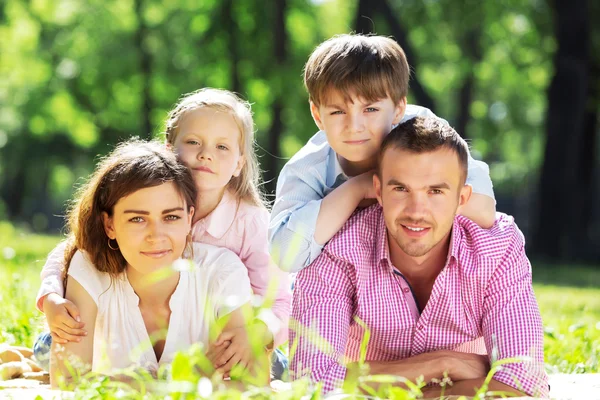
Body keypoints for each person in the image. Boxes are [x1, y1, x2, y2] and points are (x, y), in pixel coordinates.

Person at [36, 88, 290, 379]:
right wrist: (51, 295)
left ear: (239, 163)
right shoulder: (148, 195)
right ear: (170, 149)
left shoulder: (250, 222)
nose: (206, 154)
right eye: (193, 142)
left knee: (274, 370)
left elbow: (279, 299)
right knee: (49, 349)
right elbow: (78, 247)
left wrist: (256, 333)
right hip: (131, 323)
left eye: (222, 147)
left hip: (227, 330)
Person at [290, 117, 548, 398]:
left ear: (462, 199)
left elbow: (525, 384)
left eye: (435, 191)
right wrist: (443, 364)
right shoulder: (338, 248)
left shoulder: (497, 248)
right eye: (401, 189)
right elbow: (311, 383)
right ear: (378, 191)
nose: (416, 211)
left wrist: (374, 387)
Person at [269, 34, 497, 274]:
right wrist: (357, 189)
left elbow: (484, 211)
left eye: (370, 109)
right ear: (317, 115)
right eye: (337, 112)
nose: (354, 125)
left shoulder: (426, 132)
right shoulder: (307, 168)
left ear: (399, 109)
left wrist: (400, 186)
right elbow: (284, 255)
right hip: (344, 284)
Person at [49, 140, 254, 387]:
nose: (156, 236)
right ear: (109, 225)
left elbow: (254, 384)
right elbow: (66, 382)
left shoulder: (221, 270)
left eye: (171, 217)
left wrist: (132, 385)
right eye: (137, 219)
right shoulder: (89, 268)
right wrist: (188, 382)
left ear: (189, 218)